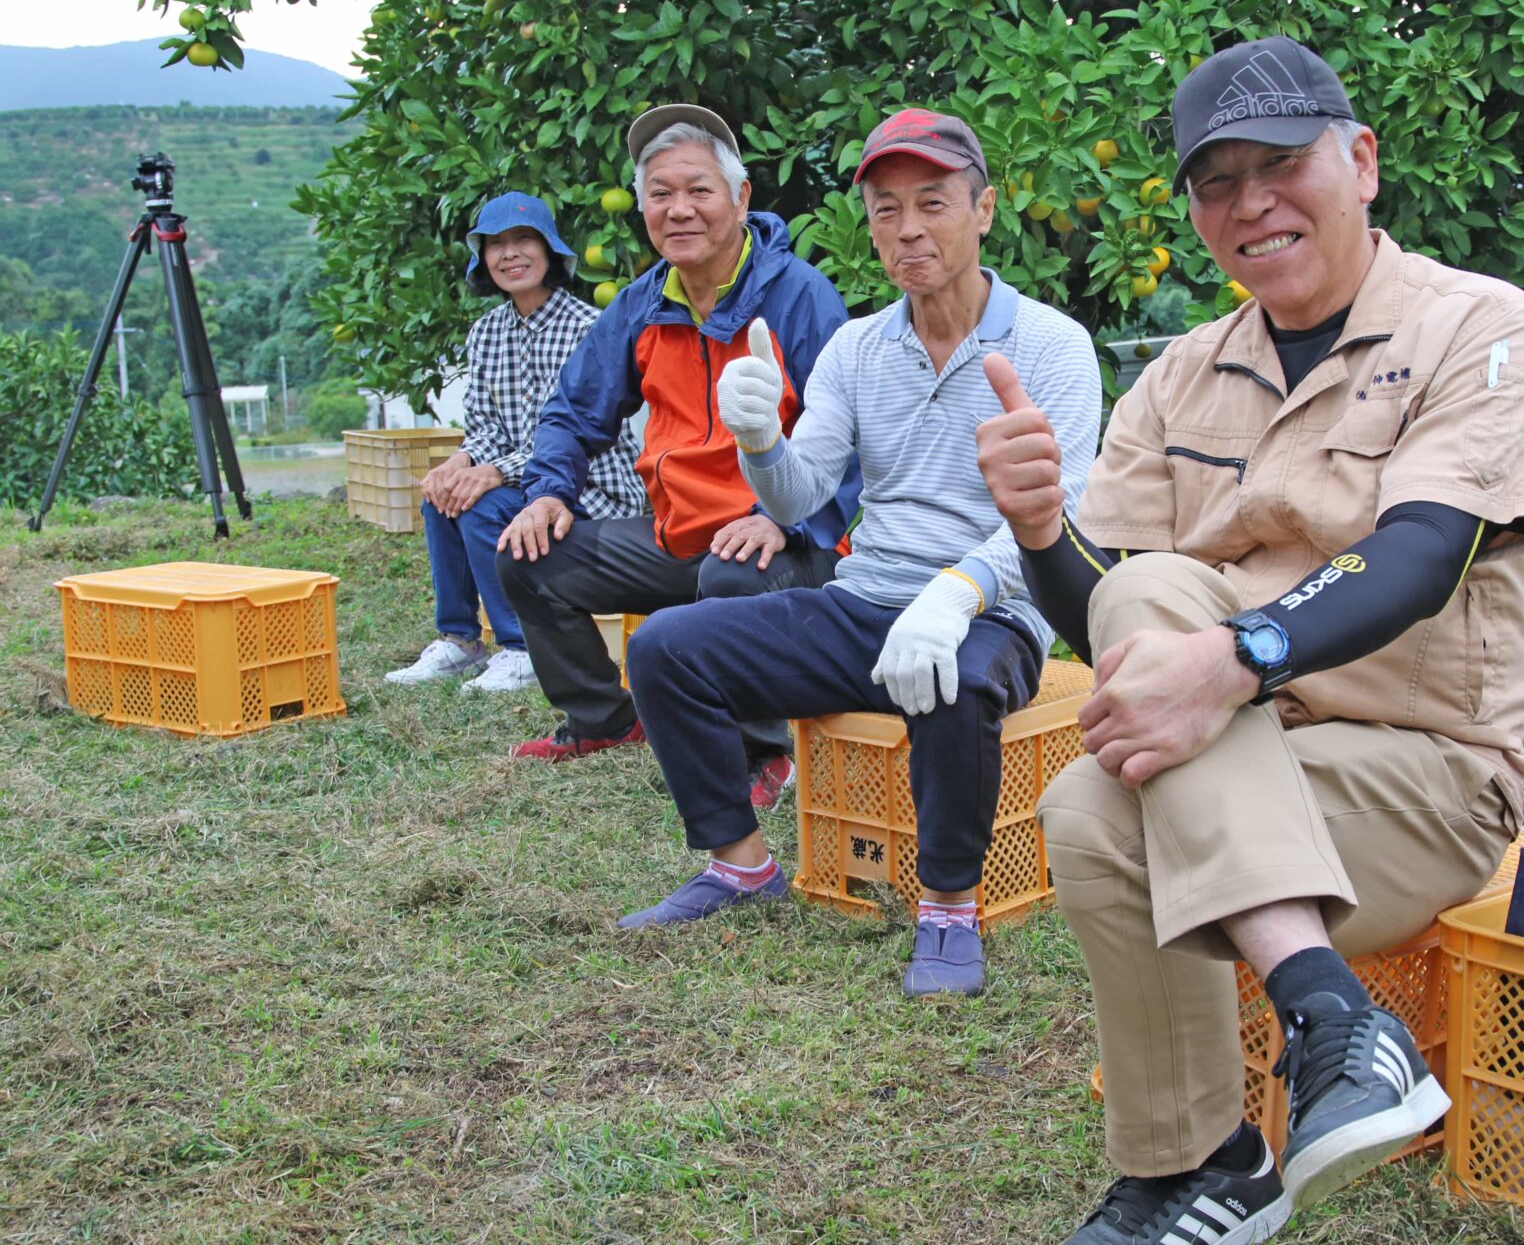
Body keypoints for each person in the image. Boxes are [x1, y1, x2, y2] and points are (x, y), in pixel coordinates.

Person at [975, 37, 1524, 1242]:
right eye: (1218, 181)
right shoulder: (1185, 374)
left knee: (1155, 648)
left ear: (1360, 162)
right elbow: (1101, 599)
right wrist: (1041, 529)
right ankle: (1223, 1139)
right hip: (1243, 756)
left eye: (1283, 162)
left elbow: (1423, 554)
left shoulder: (1485, 329)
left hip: (1425, 775)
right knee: (1091, 800)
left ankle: (1297, 1054)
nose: (1252, 202)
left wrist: (1238, 656)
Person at [620, 109, 1103, 997]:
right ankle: (740, 864)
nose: (908, 229)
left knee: (953, 678)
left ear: (984, 208)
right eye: (885, 210)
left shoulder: (1052, 345)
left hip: (993, 610)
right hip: (865, 601)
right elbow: (803, 495)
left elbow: (1057, 510)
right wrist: (760, 437)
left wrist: (956, 593)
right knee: (661, 647)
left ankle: (950, 905)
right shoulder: (857, 346)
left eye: (932, 203)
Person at [494, 105, 861, 806]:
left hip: (789, 545)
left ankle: (762, 753)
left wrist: (782, 521)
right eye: (660, 194)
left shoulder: (798, 298)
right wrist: (546, 492)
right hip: (679, 538)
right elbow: (573, 411)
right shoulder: (641, 304)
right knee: (529, 555)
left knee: (732, 581)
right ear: (642, 208)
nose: (679, 209)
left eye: (699, 190)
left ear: (740, 197)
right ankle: (602, 719)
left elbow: (847, 438)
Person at [386, 192, 643, 693]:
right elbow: (485, 426)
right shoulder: (486, 332)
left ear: (550, 252)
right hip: (520, 481)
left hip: (589, 489)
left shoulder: (587, 328)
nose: (510, 254)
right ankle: (460, 641)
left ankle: (523, 647)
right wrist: (455, 463)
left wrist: (494, 473)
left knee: (483, 503)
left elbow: (581, 435)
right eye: (496, 244)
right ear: (483, 259)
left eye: (524, 239)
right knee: (443, 498)